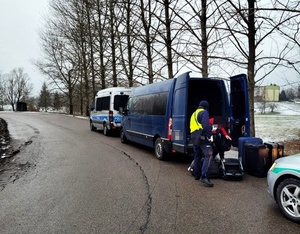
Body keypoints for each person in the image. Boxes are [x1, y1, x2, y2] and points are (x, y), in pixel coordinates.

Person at [190, 100, 214, 187]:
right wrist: (209, 136)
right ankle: (204, 176)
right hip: (201, 137)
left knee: (197, 155)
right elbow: (206, 126)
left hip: (194, 137)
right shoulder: (204, 112)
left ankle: (197, 174)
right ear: (206, 107)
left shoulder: (194, 114)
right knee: (209, 155)